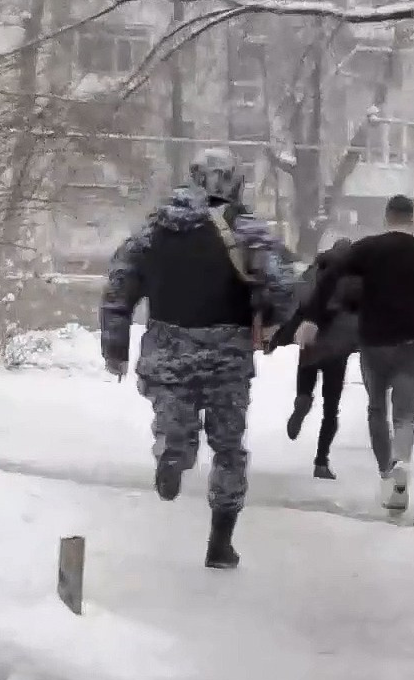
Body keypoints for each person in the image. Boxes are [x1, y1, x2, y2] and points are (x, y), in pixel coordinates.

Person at [98, 148, 295, 569]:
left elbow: (118, 287)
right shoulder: (246, 229)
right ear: (234, 181)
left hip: (168, 352)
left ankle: (173, 450)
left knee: (175, 419)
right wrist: (270, 320)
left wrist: (115, 346)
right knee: (228, 449)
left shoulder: (154, 229)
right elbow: (282, 285)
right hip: (227, 357)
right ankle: (220, 544)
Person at [304, 194, 414, 512]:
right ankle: (401, 461)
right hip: (411, 345)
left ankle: (386, 474)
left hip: (373, 343)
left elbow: (331, 273)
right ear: (413, 219)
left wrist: (312, 316)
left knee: (377, 409)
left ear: (387, 217)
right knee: (404, 416)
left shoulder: (367, 249)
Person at [269, 238, 360, 479]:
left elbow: (299, 299)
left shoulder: (315, 270)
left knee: (306, 383)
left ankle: (302, 400)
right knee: (331, 408)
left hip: (310, 339)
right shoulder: (355, 276)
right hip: (338, 347)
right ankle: (321, 461)